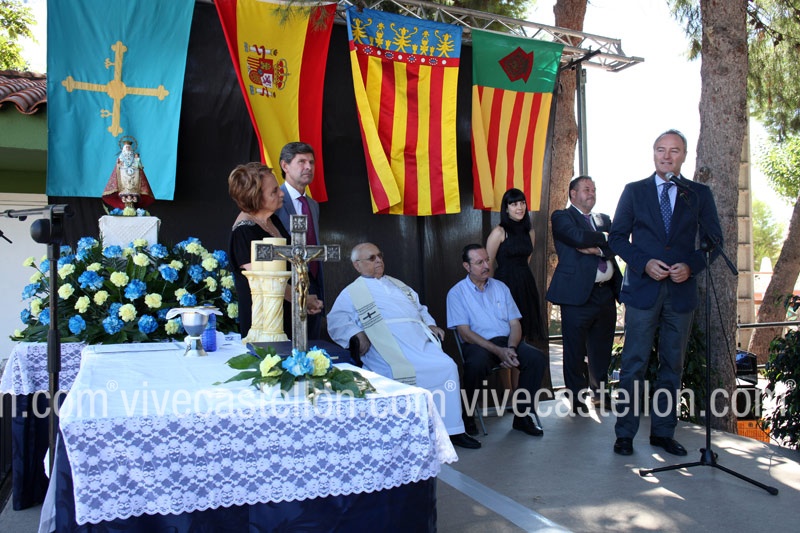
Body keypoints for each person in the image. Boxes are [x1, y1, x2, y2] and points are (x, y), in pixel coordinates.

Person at [608, 129, 722, 457]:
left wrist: (692, 266)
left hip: (680, 293)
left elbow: (714, 242)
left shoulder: (697, 194)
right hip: (643, 290)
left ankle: (662, 432)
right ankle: (625, 434)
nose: (666, 156)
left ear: (684, 156)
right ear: (654, 153)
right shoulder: (634, 191)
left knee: (673, 365)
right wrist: (643, 263)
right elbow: (616, 238)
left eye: (674, 150)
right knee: (634, 364)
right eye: (661, 149)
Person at [328, 242, 481, 450]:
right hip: (386, 347)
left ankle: (452, 430)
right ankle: (405, 435)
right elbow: (336, 320)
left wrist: (431, 325)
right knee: (395, 372)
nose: (379, 260)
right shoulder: (351, 292)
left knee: (447, 367)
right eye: (372, 258)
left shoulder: (398, 285)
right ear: (357, 265)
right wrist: (356, 334)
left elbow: (420, 308)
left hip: (419, 341)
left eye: (380, 255)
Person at [446, 244, 547, 437]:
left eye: (487, 260)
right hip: (479, 344)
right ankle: (467, 417)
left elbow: (515, 324)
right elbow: (465, 333)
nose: (486, 266)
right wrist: (498, 351)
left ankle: (521, 416)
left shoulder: (501, 287)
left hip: (508, 342)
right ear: (467, 266)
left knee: (536, 359)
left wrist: (511, 348)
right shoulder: (456, 293)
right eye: (479, 262)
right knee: (475, 365)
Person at [546, 176, 622, 414]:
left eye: (594, 189)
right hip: (576, 296)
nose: (592, 193)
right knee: (575, 350)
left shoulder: (603, 219)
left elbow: (618, 244)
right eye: (586, 189)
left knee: (602, 348)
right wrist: (605, 240)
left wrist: (598, 248)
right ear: (572, 193)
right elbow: (577, 237)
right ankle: (577, 399)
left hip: (606, 293)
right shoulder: (562, 217)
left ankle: (600, 394)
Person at [227, 162, 322, 338]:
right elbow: (268, 282)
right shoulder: (243, 232)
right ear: (255, 198)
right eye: (274, 192)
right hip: (265, 322)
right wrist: (302, 299)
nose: (282, 193)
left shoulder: (272, 221)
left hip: (291, 315)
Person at [276, 142, 325, 340]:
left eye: (311, 162)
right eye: (302, 162)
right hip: (285, 288)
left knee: (311, 344)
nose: (308, 167)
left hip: (313, 283)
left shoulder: (312, 205)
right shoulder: (274, 201)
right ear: (285, 166)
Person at [485, 188, 547, 345]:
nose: (519, 207)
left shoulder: (530, 231)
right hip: (505, 283)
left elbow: (527, 259)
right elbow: (488, 263)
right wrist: (491, 292)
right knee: (507, 330)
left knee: (525, 329)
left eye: (522, 203)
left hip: (526, 283)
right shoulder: (499, 232)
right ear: (506, 208)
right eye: (514, 204)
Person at [102, 139, 155, 210]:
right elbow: (118, 164)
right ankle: (125, 201)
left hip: (134, 173)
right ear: (124, 148)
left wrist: (137, 161)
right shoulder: (121, 156)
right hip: (123, 173)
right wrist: (120, 164)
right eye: (126, 147)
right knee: (125, 187)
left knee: (133, 187)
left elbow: (139, 165)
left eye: (129, 147)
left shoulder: (134, 156)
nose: (128, 149)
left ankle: (133, 200)